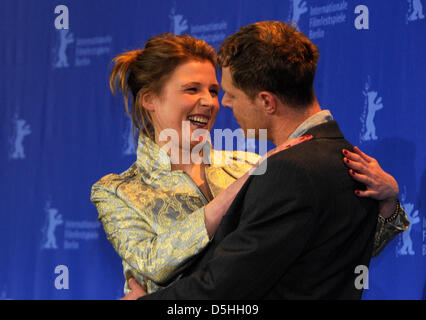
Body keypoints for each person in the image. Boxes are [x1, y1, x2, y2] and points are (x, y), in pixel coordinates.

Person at [90, 32, 408, 298]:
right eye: (192, 89)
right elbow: (152, 263)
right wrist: (232, 195)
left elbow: (324, 250)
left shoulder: (255, 164)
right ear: (149, 100)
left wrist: (388, 207)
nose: (212, 102)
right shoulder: (117, 190)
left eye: (214, 90)